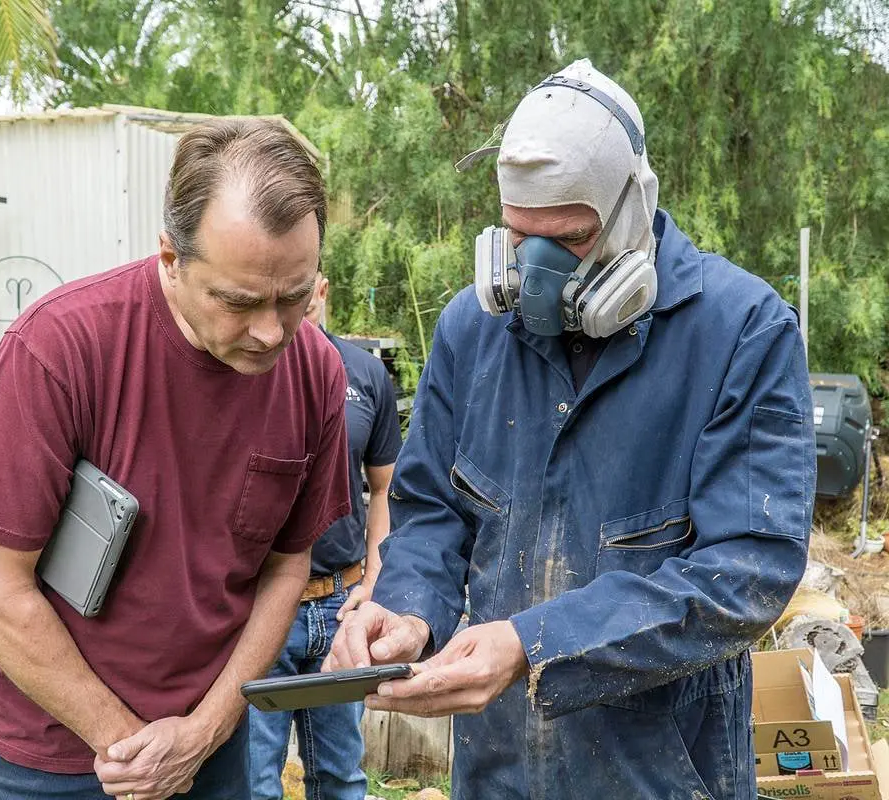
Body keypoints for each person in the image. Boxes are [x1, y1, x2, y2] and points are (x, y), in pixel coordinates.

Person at [323, 58, 816, 798]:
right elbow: (430, 513)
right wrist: (407, 611)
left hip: (660, 775)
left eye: (572, 239)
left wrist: (532, 644)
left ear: (634, 205)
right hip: (499, 771)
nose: (542, 274)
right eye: (523, 240)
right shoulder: (471, 329)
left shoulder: (742, 331)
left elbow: (747, 572)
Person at [0, 118, 352, 800]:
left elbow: (286, 567)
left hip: (211, 751)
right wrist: (131, 746)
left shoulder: (316, 372)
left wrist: (204, 733)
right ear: (170, 258)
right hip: (51, 761)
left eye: (295, 294)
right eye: (239, 301)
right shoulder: (59, 348)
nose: (271, 331)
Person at [245, 269, 402, 799]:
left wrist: (374, 582)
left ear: (321, 288)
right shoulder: (246, 367)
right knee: (257, 780)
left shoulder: (364, 374)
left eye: (298, 289)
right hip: (264, 607)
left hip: (341, 605)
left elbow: (384, 490)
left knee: (340, 777)